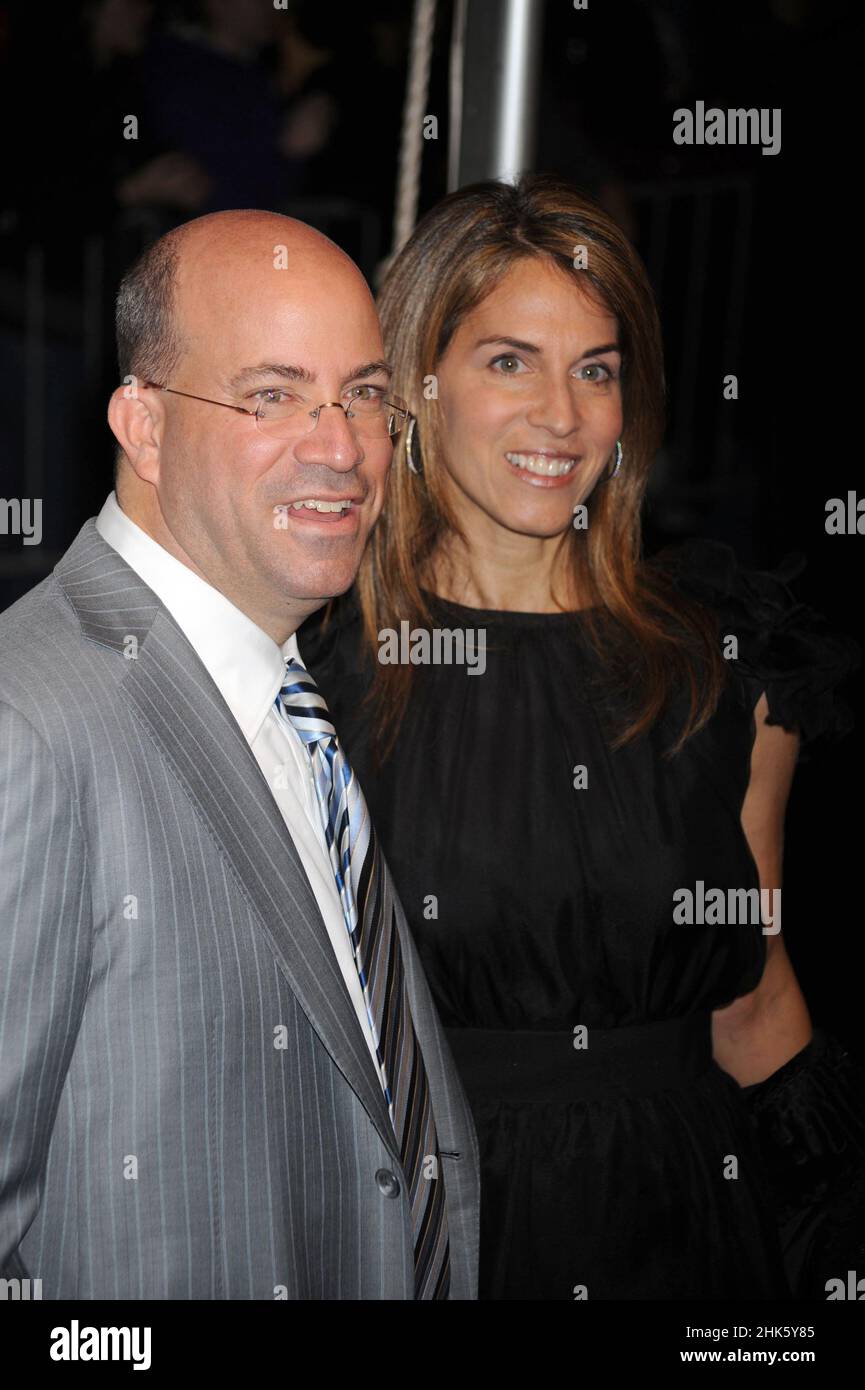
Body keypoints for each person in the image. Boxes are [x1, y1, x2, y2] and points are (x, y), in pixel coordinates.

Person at [300, 175, 864, 1300]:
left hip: (693, 1225)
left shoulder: (721, 665)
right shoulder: (317, 675)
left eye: (595, 370)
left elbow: (751, 1000)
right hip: (422, 1230)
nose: (561, 416)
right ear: (418, 383)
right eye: (509, 360)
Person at [0, 210, 479, 1300]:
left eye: (362, 393)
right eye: (272, 396)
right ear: (144, 424)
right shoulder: (26, 727)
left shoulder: (287, 693)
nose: (341, 445)